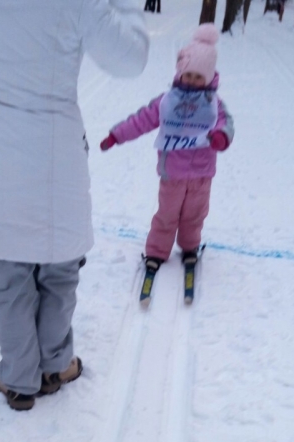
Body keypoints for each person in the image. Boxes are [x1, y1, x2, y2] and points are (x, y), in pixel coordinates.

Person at [0, 0, 149, 411]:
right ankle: (54, 364)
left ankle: (18, 377)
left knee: (7, 275)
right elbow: (129, 58)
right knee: (58, 271)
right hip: (53, 153)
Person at [100, 24, 233, 274]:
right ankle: (157, 251)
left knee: (195, 214)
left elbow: (226, 124)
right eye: (188, 74)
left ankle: (190, 247)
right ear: (180, 72)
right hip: (172, 172)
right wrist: (116, 135)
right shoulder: (167, 102)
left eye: (199, 76)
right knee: (167, 214)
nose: (192, 80)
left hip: (202, 174)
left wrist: (221, 137)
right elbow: (141, 120)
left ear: (208, 77)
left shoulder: (214, 105)